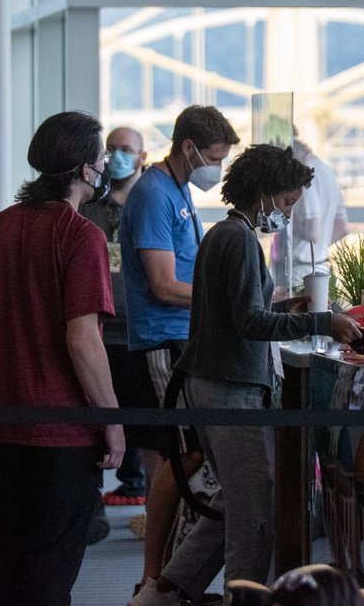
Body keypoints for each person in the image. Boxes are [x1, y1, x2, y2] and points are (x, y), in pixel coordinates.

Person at [131, 143, 362, 606]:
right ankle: (245, 595)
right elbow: (250, 324)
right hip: (228, 389)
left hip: (217, 384)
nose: (289, 213)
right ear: (264, 194)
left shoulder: (225, 235)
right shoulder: (238, 240)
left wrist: (286, 308)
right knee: (254, 510)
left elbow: (239, 312)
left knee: (230, 501)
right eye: (288, 202)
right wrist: (321, 321)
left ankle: (168, 590)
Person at [0, 110, 124, 606]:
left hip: (4, 422)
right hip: (64, 431)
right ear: (82, 169)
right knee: (50, 572)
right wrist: (111, 419)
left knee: (7, 566)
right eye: (100, 159)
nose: (104, 167)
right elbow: (82, 339)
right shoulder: (81, 236)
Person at [120, 105, 239, 593]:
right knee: (183, 456)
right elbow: (164, 284)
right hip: (161, 338)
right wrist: (228, 294)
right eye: (213, 157)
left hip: (183, 336)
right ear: (188, 148)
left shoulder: (178, 190)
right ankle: (154, 575)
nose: (217, 169)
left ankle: (168, 570)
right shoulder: (153, 195)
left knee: (189, 455)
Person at [79, 124, 150, 506]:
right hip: (96, 324)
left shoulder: (150, 204)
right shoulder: (89, 207)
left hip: (138, 323)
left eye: (125, 149)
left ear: (142, 157)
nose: (117, 156)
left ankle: (135, 479)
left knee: (138, 407)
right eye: (111, 149)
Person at [271, 135, 349, 297]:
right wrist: (320, 249)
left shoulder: (304, 177)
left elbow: (314, 232)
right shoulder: (326, 170)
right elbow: (342, 228)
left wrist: (287, 223)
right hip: (322, 266)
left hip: (300, 272)